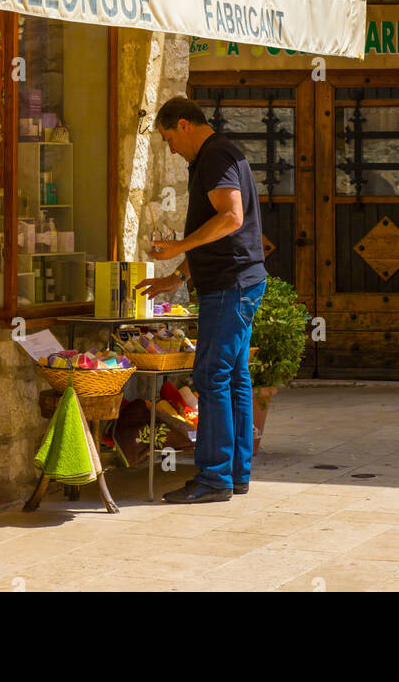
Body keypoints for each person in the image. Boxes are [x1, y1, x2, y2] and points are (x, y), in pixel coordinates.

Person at [139, 95, 268, 504]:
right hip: (238, 281)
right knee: (234, 377)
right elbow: (217, 229)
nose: (170, 149)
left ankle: (214, 479)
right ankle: (235, 474)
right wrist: (176, 276)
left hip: (231, 286)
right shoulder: (217, 155)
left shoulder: (215, 156)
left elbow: (231, 218)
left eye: (167, 138)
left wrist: (179, 247)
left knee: (212, 376)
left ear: (182, 124)